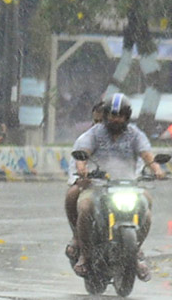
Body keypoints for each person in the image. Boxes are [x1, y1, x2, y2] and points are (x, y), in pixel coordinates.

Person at [65, 92, 165, 280]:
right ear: (105, 116)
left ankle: (135, 251)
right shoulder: (94, 133)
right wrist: (82, 169)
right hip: (99, 186)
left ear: (127, 116)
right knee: (85, 207)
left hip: (128, 185)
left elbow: (147, 154)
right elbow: (82, 154)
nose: (116, 119)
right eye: (112, 115)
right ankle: (85, 255)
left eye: (120, 115)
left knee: (147, 205)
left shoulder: (135, 134)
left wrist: (156, 169)